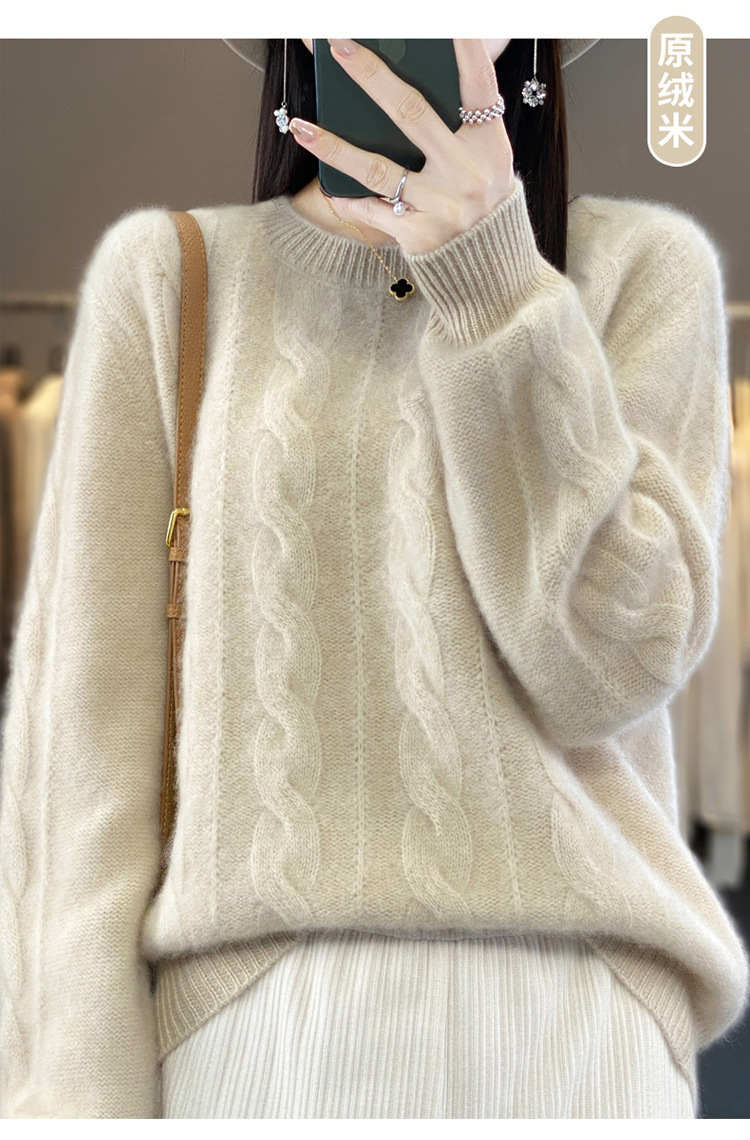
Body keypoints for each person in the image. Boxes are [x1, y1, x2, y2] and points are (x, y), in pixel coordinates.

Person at [0, 37, 748, 1119]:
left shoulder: (643, 270)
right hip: (258, 1028)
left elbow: (612, 670)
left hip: (585, 1027)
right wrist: (71, 1102)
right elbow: (85, 759)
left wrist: (496, 284)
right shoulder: (170, 278)